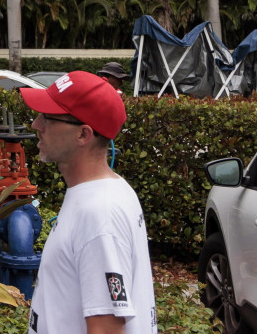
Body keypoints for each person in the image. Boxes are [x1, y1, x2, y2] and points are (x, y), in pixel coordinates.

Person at [20, 71, 156, 334]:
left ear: (83, 135)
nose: (36, 124)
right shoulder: (107, 192)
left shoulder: (98, 214)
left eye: (47, 117)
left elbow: (106, 328)